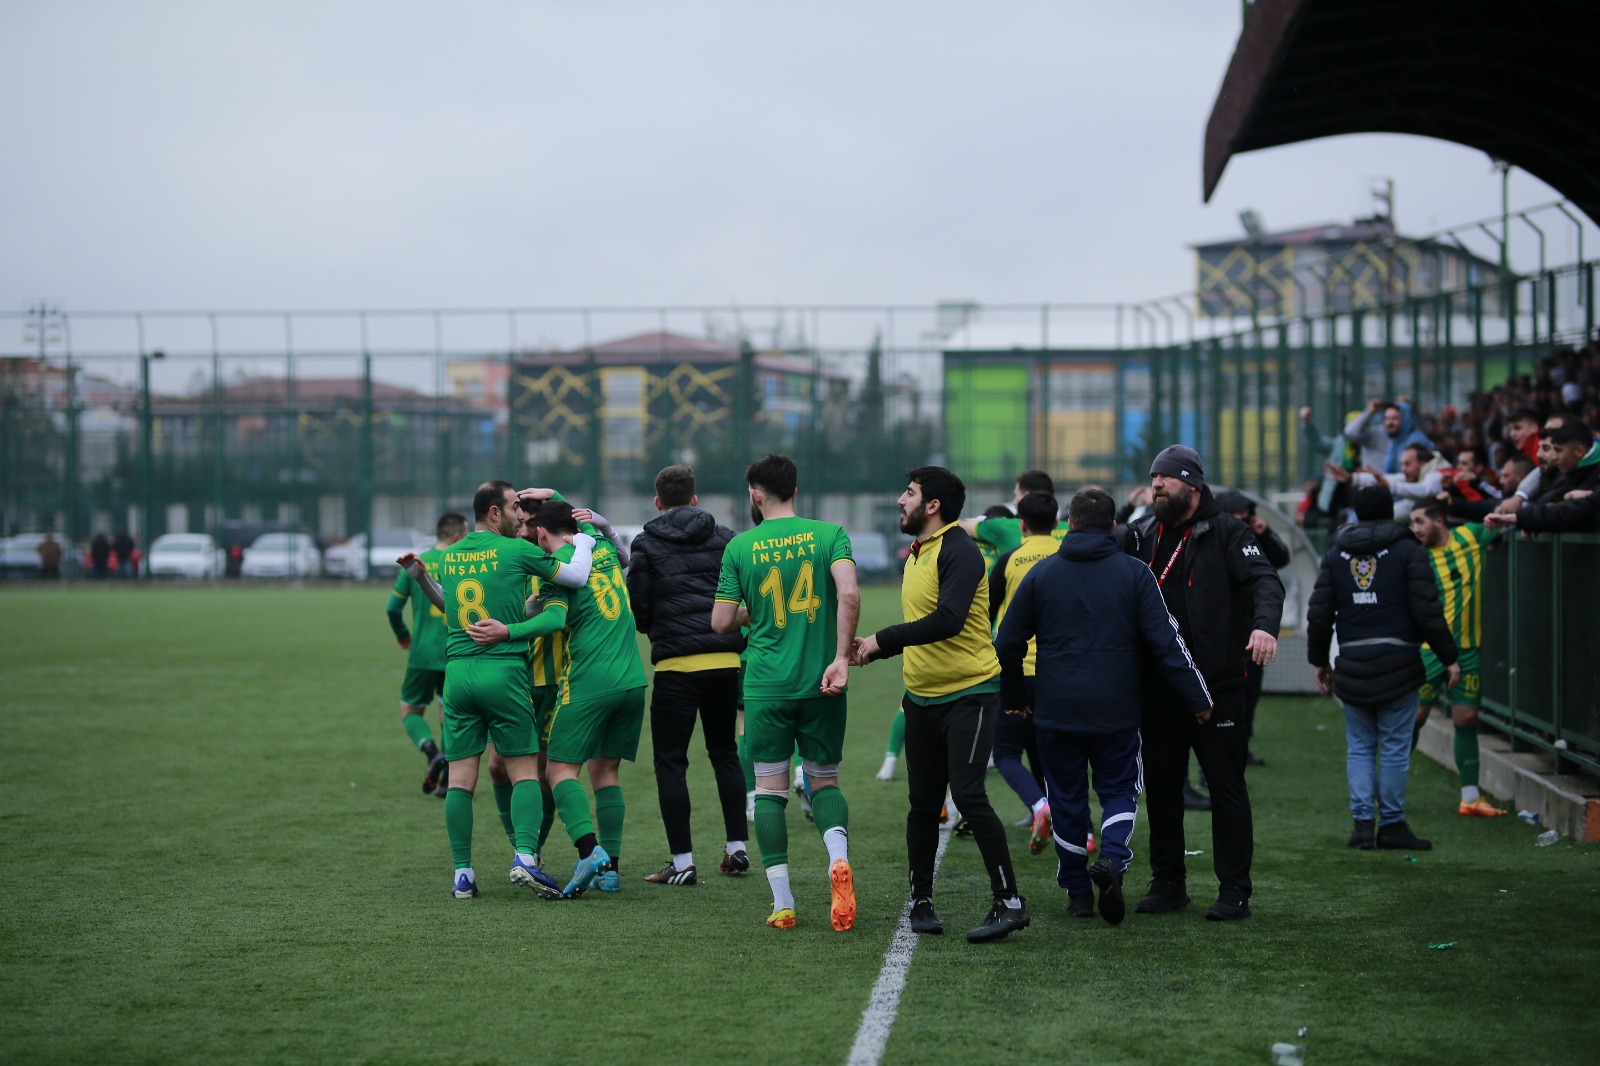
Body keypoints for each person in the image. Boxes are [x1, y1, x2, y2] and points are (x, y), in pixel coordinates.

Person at [996, 488, 1212, 925]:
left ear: (1068, 524)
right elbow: (1167, 642)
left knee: (1067, 798)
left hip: (1056, 709)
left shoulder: (1042, 574)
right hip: (1117, 709)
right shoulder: (1134, 574)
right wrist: (1198, 699)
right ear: (1113, 526)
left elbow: (1006, 643)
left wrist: (1017, 698)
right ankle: (1112, 858)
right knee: (1119, 790)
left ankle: (1078, 893)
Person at [854, 466, 1031, 944]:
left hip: (970, 695)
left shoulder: (960, 552)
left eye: (908, 493)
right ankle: (921, 900)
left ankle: (1010, 902)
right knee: (923, 804)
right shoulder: (918, 551)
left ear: (932, 506)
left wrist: (880, 641)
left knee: (970, 796)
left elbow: (950, 620)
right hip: (921, 698)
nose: (899, 500)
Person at [400, 480, 595, 900]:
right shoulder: (517, 550)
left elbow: (449, 605)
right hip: (503, 670)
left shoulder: (450, 557)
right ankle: (526, 856)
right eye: (514, 508)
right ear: (494, 512)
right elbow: (576, 576)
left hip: (458, 675)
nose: (521, 516)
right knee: (524, 769)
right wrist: (587, 537)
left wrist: (420, 578)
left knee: (460, 780)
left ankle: (463, 875)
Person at [1122, 445, 1284, 921]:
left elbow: (1265, 581)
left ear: (1191, 485)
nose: (1155, 486)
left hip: (1217, 684)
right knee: (1164, 788)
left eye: (1164, 479)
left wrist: (1264, 625)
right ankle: (1168, 882)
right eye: (1153, 479)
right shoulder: (1145, 533)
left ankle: (1234, 890)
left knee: (1226, 788)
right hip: (1159, 687)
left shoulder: (1228, 531)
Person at [712, 454, 860, 932]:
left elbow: (719, 622)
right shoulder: (829, 534)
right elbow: (850, 594)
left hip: (766, 686)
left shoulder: (740, 547)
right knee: (825, 781)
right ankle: (837, 858)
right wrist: (840, 657)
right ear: (793, 489)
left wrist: (752, 611)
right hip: (822, 681)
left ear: (755, 494)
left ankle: (784, 903)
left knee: (770, 791)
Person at [1307, 484, 1458, 851]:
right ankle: (1391, 824)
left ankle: (1361, 827)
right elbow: (1427, 611)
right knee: (1393, 746)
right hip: (1399, 663)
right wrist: (1449, 657)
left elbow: (1320, 613)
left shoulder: (1335, 553)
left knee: (1360, 746)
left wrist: (1319, 662)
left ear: (1356, 513)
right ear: (1392, 511)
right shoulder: (1409, 551)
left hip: (1353, 664)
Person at [513, 499, 648, 896]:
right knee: (605, 774)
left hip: (590, 681)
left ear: (541, 534)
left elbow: (554, 620)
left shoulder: (557, 571)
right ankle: (611, 870)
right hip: (633, 680)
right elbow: (598, 533)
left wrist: (508, 628)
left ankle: (590, 852)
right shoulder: (599, 546)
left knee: (558, 772)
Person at [627, 464, 751, 886]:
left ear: (658, 502)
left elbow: (639, 608)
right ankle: (737, 848)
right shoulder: (726, 537)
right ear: (696, 499)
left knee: (670, 764)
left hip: (677, 666)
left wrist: (659, 628)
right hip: (725, 663)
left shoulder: (645, 542)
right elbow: (744, 594)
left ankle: (682, 862)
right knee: (725, 754)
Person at [1407, 500, 1506, 817]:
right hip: (1430, 650)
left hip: (1467, 649)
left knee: (1466, 719)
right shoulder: (1417, 557)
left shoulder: (1473, 536)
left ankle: (1470, 797)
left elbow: (1506, 521)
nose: (1415, 529)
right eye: (1412, 523)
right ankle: (1387, 790)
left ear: (1439, 521)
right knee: (1413, 719)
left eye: (1420, 521)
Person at [987, 491, 1065, 857]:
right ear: (1056, 523)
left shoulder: (1009, 560)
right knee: (1051, 754)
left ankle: (1039, 806)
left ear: (1021, 524)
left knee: (1004, 752)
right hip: (1058, 673)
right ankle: (1081, 831)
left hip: (1015, 670)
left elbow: (986, 616)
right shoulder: (1066, 556)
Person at [385, 511, 468, 796]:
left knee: (410, 709)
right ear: (457, 536)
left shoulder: (414, 562)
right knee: (450, 715)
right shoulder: (461, 562)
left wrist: (403, 636)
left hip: (421, 652)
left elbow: (392, 609)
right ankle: (448, 780)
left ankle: (431, 751)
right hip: (454, 651)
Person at [1213, 488, 1290, 767]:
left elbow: (1280, 560)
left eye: (1247, 516)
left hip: (1252, 630)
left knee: (1250, 694)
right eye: (1238, 516)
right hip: (1224, 635)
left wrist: (1265, 532)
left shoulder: (1251, 540)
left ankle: (1241, 748)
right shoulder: (1214, 540)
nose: (1244, 520)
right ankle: (1209, 767)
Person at [1486, 420, 1600, 533]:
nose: (1555, 457)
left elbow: (1574, 512)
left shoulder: (1590, 473)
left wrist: (1520, 519)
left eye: (1559, 450)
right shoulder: (1572, 471)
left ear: (1579, 451)